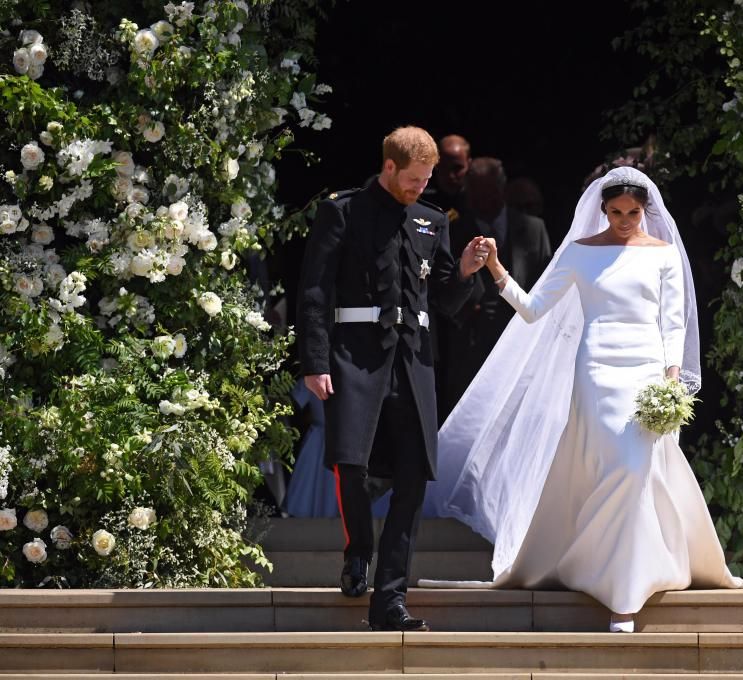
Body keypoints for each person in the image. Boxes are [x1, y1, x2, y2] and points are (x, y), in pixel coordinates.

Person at [422, 166, 742, 632]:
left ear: (645, 210)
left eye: (633, 212)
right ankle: (609, 581)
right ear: (603, 210)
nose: (625, 219)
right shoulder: (578, 253)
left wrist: (672, 378)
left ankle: (624, 594)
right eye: (616, 212)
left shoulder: (664, 254)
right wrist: (494, 268)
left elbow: (673, 323)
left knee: (633, 471)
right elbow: (533, 310)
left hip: (647, 372)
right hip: (595, 371)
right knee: (612, 469)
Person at [296, 126, 490, 632]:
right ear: (388, 167)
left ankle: (390, 600)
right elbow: (315, 290)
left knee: (412, 476)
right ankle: (358, 547)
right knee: (351, 465)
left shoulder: (431, 221)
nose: (422, 188)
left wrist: (466, 273)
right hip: (354, 355)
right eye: (414, 179)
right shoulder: (342, 211)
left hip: (415, 358)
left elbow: (444, 301)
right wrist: (315, 361)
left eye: (427, 180)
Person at [439, 157, 551, 419]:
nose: (483, 199)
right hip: (470, 342)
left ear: (502, 189)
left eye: (489, 191)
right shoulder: (452, 229)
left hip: (518, 338)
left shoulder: (533, 228)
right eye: (476, 192)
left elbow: (543, 281)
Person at [425, 134, 471, 216]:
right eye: (444, 167)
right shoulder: (420, 204)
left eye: (457, 168)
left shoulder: (483, 203)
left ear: (469, 164)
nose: (450, 176)